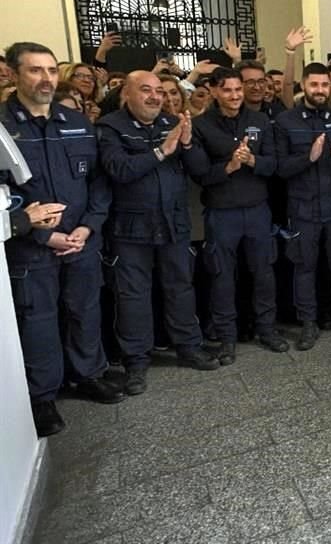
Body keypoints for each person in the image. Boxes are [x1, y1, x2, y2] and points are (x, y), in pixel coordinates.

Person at [2, 42, 123, 437]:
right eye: (35, 70)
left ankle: (87, 375)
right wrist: (44, 235)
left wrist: (88, 226)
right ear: (14, 74)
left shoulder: (76, 122)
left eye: (52, 70)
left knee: (85, 310)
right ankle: (42, 397)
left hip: (81, 240)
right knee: (37, 320)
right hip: (32, 249)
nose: (46, 79)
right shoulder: (3, 127)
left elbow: (98, 183)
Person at [97, 71, 220, 394]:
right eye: (145, 90)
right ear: (127, 93)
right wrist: (160, 152)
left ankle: (188, 346)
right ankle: (136, 360)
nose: (154, 97)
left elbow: (198, 169)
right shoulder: (110, 127)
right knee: (133, 295)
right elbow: (119, 170)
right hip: (130, 227)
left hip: (173, 223)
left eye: (158, 92)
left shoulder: (171, 123)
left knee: (180, 286)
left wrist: (189, 142)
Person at [190, 67, 288, 364]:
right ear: (216, 91)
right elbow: (200, 174)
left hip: (257, 209)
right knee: (222, 277)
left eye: (237, 89)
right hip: (222, 213)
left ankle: (267, 329)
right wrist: (229, 167)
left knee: (264, 272)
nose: (234, 95)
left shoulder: (258, 121)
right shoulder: (201, 125)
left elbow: (273, 165)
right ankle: (226, 338)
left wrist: (253, 160)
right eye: (227, 90)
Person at [274, 63, 331, 345]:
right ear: (304, 85)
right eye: (315, 85)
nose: (321, 90)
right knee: (304, 267)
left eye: (325, 85)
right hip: (303, 209)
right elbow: (280, 169)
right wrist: (308, 158)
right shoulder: (287, 121)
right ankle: (308, 324)